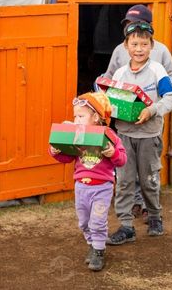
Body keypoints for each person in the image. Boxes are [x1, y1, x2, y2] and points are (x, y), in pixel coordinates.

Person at [103, 4, 172, 223]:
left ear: (150, 44)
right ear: (127, 45)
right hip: (125, 130)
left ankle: (152, 214)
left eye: (143, 44)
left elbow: (170, 89)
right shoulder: (119, 64)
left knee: (148, 177)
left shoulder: (159, 61)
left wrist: (152, 107)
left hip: (149, 130)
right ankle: (126, 224)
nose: (138, 48)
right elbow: (110, 87)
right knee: (124, 178)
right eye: (134, 43)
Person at [49, 92, 127, 271]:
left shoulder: (109, 135)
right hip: (81, 186)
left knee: (98, 221)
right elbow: (67, 158)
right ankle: (92, 245)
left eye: (81, 116)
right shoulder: (75, 134)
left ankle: (99, 251)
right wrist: (55, 151)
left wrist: (112, 152)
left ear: (95, 117)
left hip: (102, 187)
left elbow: (122, 159)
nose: (76, 119)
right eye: (75, 115)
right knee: (84, 222)